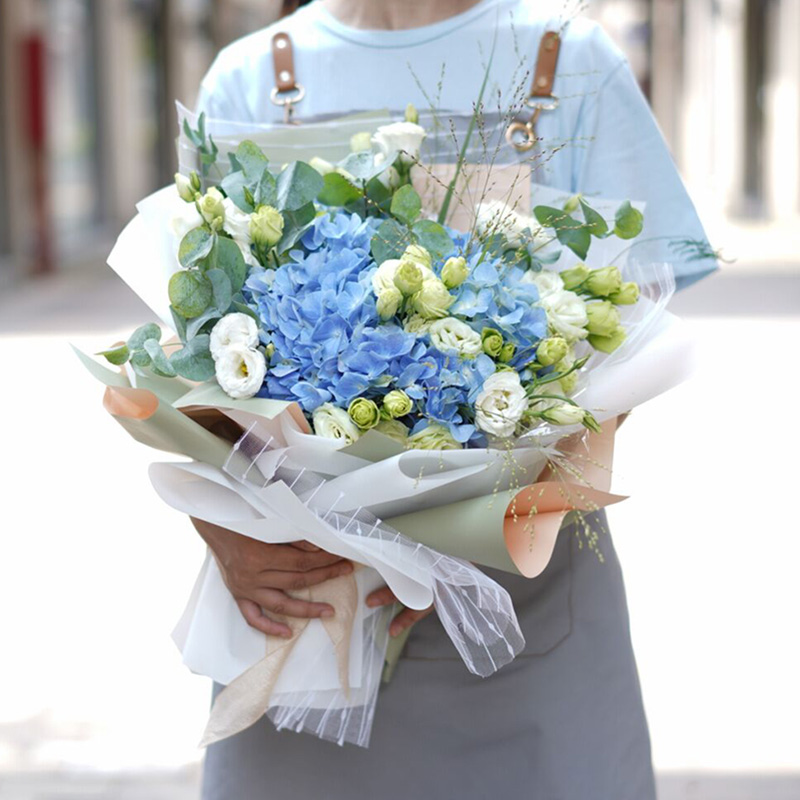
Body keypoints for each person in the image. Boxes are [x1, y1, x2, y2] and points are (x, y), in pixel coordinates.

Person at [192, 2, 717, 798]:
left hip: (523, 607)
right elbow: (194, 352)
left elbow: (631, 338)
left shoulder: (568, 59)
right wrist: (219, 530)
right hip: (304, 607)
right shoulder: (252, 77)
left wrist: (460, 527)